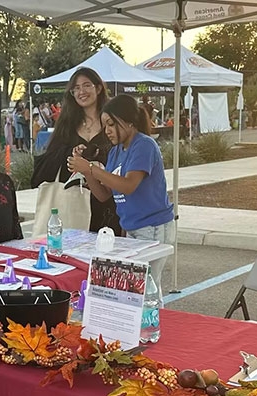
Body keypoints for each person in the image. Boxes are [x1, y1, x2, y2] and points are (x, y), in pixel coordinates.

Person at [66, 94, 175, 289]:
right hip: (131, 227)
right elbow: (104, 194)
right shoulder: (116, 151)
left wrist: (91, 168)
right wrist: (86, 170)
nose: (106, 131)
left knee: (146, 289)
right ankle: (145, 320)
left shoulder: (144, 145)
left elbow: (128, 185)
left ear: (128, 121)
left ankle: (154, 320)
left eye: (110, 124)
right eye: (104, 125)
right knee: (134, 289)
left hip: (153, 226)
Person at [30, 67, 122, 235]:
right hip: (75, 202)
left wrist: (96, 160)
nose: (82, 91)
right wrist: (70, 154)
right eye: (76, 88)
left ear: (99, 88)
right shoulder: (67, 123)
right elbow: (48, 161)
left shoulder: (112, 121)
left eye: (87, 85)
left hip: (107, 202)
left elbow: (123, 154)